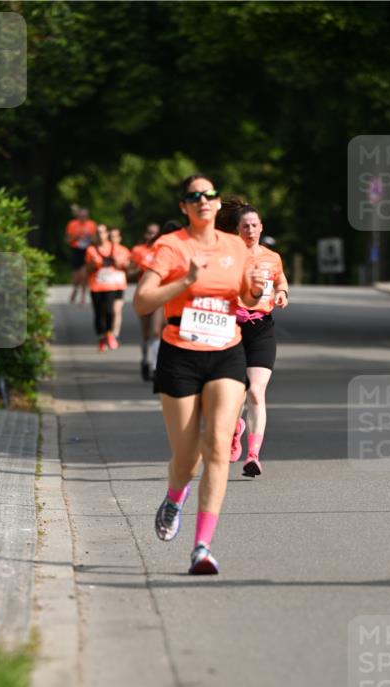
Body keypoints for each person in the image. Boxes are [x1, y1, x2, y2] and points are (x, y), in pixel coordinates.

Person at [133, 175, 268, 575]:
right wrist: (186, 279)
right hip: (180, 354)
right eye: (194, 196)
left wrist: (257, 290)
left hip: (226, 352)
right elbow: (142, 302)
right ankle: (175, 496)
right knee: (187, 456)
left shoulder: (233, 246)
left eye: (208, 194)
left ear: (216, 202)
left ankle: (202, 547)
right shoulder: (171, 246)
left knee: (217, 446)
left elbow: (245, 296)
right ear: (184, 207)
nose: (203, 200)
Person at [217, 197, 289, 477]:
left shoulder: (272, 257)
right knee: (234, 394)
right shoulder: (227, 256)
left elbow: (280, 279)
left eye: (254, 225)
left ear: (261, 228)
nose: (249, 230)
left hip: (261, 328)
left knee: (256, 391)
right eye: (244, 226)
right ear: (237, 229)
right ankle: (235, 430)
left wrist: (282, 292)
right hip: (231, 328)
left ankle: (253, 455)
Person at [85, 223, 130, 351]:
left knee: (110, 311)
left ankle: (110, 334)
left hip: (111, 286)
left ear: (107, 234)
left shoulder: (117, 248)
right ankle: (101, 338)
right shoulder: (91, 250)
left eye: (102, 232)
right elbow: (87, 269)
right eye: (97, 232)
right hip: (96, 286)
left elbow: (127, 265)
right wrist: (93, 265)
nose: (100, 235)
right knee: (99, 313)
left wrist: (119, 262)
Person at [130, 223, 161, 381]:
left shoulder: (163, 249)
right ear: (145, 234)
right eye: (150, 233)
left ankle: (156, 366)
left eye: (155, 233)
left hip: (158, 294)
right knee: (145, 333)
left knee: (156, 331)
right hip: (142, 294)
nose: (152, 236)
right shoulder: (138, 250)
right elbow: (129, 271)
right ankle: (145, 360)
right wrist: (141, 268)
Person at [65, 207, 97, 305]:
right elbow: (67, 240)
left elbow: (96, 240)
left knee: (84, 275)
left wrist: (90, 238)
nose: (83, 217)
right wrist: (76, 236)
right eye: (81, 216)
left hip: (87, 251)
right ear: (78, 215)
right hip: (76, 250)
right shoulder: (72, 224)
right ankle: (75, 289)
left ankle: (83, 297)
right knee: (76, 277)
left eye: (85, 216)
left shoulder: (92, 224)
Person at [107, 227, 131, 344]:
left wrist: (121, 262)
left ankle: (115, 334)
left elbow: (128, 266)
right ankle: (106, 333)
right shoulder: (102, 250)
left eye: (115, 236)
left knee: (116, 310)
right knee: (107, 311)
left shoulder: (124, 250)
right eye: (110, 236)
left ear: (119, 238)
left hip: (118, 285)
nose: (112, 239)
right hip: (105, 286)